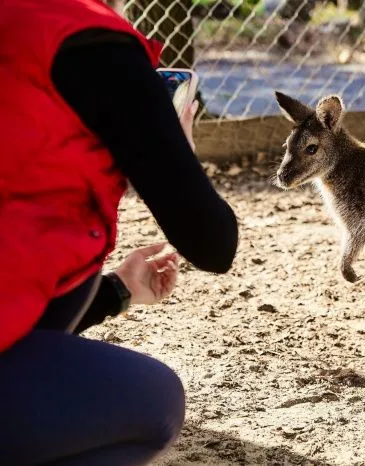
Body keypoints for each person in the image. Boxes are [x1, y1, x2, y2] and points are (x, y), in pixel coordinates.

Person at [0, 0, 239, 464]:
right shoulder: (91, 40)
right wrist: (176, 152)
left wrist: (119, 291)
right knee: (152, 402)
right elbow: (213, 243)